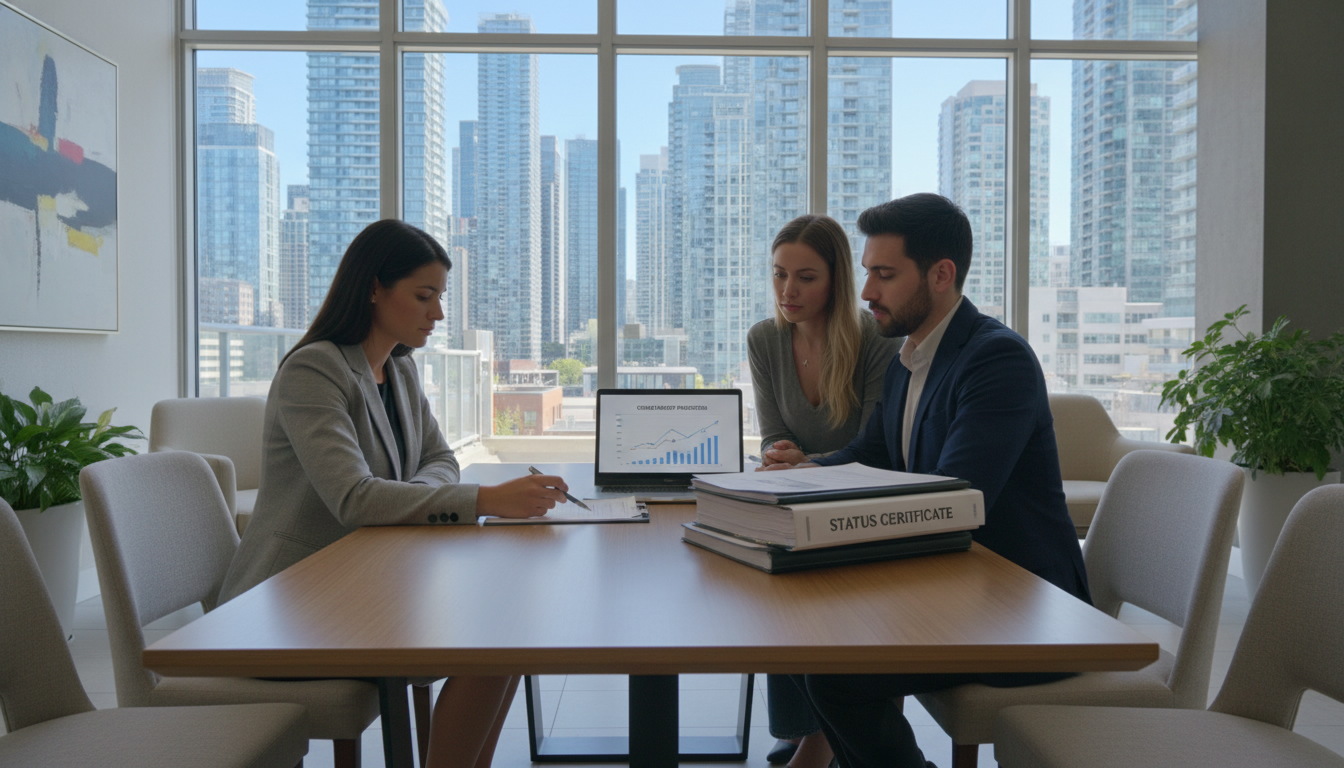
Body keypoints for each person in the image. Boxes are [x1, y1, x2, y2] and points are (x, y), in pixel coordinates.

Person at [217, 219, 568, 768]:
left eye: (440, 297)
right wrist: (483, 500)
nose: (439, 314)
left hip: (364, 579)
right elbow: (355, 499)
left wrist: (410, 494)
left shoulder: (398, 370)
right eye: (424, 296)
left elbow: (440, 460)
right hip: (290, 603)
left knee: (509, 635)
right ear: (374, 289)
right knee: (494, 641)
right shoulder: (314, 370)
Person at [764, 193, 1091, 768]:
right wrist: (806, 468)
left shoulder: (996, 360)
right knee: (802, 632)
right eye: (868, 273)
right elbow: (871, 452)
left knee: (835, 673)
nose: (866, 293)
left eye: (885, 275)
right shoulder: (909, 356)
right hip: (958, 592)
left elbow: (953, 498)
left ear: (941, 275)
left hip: (1024, 613)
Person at [747, 214, 900, 767]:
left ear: (836, 279)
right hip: (795, 495)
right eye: (779, 274)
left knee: (811, 582)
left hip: (858, 503)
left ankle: (816, 743)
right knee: (771, 569)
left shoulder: (876, 342)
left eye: (806, 277)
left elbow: (877, 445)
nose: (788, 291)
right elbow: (772, 430)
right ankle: (803, 731)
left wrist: (807, 462)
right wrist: (782, 455)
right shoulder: (765, 339)